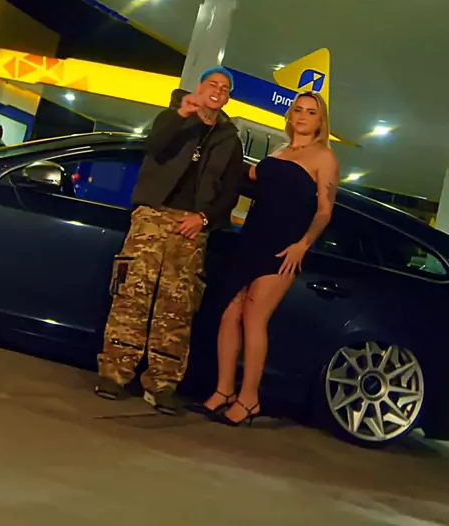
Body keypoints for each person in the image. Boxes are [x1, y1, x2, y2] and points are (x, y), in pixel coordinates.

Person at [96, 67, 243, 415]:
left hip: (191, 229)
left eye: (225, 88)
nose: (218, 90)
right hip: (152, 217)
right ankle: (114, 374)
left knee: (176, 308)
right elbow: (153, 146)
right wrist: (182, 114)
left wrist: (204, 218)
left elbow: (230, 192)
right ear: (200, 88)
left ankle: (162, 385)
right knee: (132, 296)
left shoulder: (229, 141)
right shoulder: (173, 118)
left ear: (227, 98)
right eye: (212, 84)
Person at [193, 91, 339, 427]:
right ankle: (223, 390)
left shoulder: (324, 157)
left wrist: (303, 244)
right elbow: (247, 177)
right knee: (229, 315)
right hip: (252, 238)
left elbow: (324, 211)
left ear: (320, 120)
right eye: (298, 110)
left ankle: (249, 400)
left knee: (254, 318)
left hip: (285, 246)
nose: (302, 116)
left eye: (311, 112)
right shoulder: (279, 151)